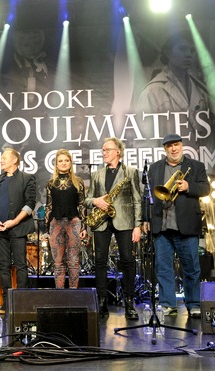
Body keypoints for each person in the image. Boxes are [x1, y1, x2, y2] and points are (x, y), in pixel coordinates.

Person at [148, 134, 210, 318]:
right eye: (169, 146)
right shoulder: (155, 168)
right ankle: (168, 304)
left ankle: (194, 304)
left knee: (191, 268)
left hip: (187, 225)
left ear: (182, 146)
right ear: (164, 149)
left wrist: (189, 187)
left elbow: (206, 189)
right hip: (162, 225)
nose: (173, 149)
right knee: (163, 268)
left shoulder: (196, 166)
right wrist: (146, 220)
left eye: (176, 145)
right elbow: (150, 196)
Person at [85, 137, 142, 320]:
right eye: (103, 150)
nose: (104, 153)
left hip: (124, 222)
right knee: (99, 261)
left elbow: (137, 200)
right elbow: (87, 200)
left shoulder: (130, 172)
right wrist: (96, 201)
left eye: (108, 149)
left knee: (127, 261)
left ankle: (129, 302)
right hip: (101, 223)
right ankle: (102, 302)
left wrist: (138, 225)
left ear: (118, 151)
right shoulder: (97, 174)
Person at [0, 148, 36, 311]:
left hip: (19, 228)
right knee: (4, 265)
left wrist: (14, 221)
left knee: (21, 265)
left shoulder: (27, 178)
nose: (1, 160)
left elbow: (30, 205)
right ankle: (7, 302)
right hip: (0, 229)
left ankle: (21, 301)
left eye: (4, 158)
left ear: (15, 160)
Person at [44, 149, 87, 289]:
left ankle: (73, 293)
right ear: (56, 164)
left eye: (66, 160)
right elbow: (49, 206)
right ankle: (60, 295)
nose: (63, 163)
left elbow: (82, 205)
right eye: (60, 161)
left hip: (74, 222)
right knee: (57, 263)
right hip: (55, 223)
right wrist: (46, 229)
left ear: (71, 163)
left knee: (73, 262)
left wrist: (84, 227)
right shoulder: (51, 183)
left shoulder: (78, 182)